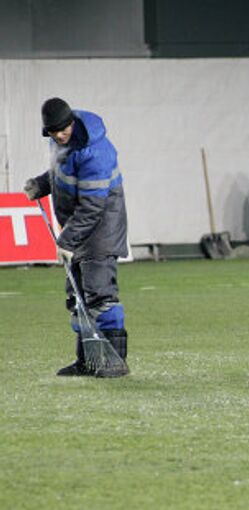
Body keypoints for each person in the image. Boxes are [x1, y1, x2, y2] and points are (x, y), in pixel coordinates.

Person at [23, 98, 129, 377]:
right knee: (77, 294)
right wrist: (41, 184)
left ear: (71, 121)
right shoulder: (60, 141)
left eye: (63, 129)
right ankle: (88, 360)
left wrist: (67, 241)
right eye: (53, 131)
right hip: (77, 224)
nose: (59, 135)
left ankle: (115, 362)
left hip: (102, 225)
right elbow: (62, 172)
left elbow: (93, 206)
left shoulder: (95, 151)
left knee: (99, 292)